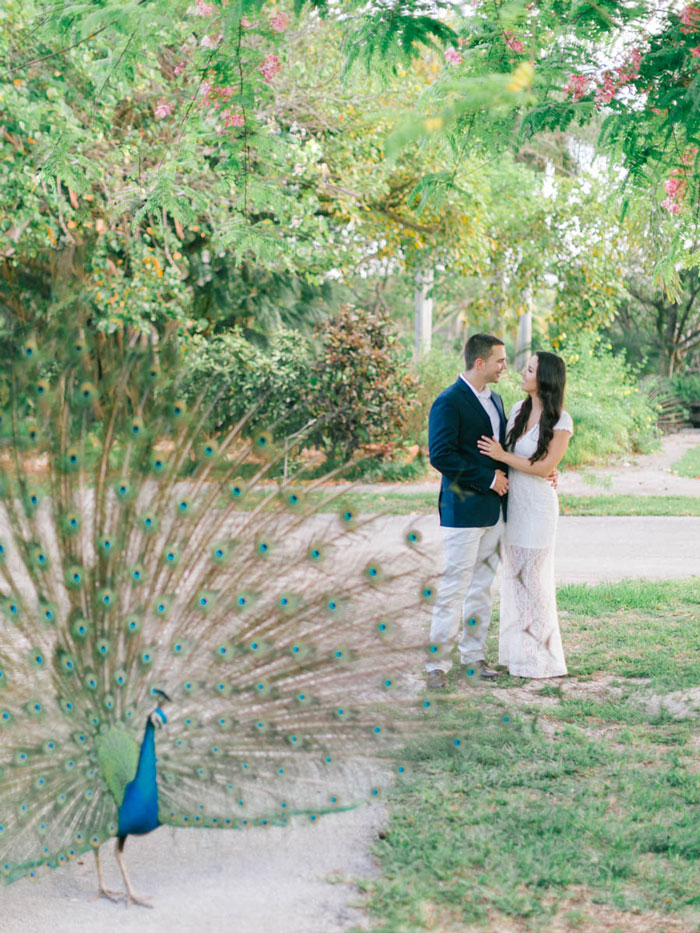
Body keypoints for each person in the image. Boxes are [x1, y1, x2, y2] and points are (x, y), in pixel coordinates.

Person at [477, 351, 573, 679]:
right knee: (515, 581)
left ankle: (544, 659)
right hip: (514, 506)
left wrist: (507, 455)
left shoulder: (561, 420)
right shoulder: (517, 410)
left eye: (530, 369)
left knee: (534, 582)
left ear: (543, 378)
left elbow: (546, 467)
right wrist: (503, 459)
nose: (522, 372)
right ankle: (519, 656)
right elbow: (509, 460)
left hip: (539, 508)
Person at [426, 333, 509, 690]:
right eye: (500, 361)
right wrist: (489, 480)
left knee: (481, 588)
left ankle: (474, 656)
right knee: (453, 588)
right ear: (480, 363)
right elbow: (441, 455)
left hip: (494, 512)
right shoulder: (449, 401)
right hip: (462, 510)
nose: (505, 366)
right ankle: (436, 666)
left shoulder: (497, 400)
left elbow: (501, 449)